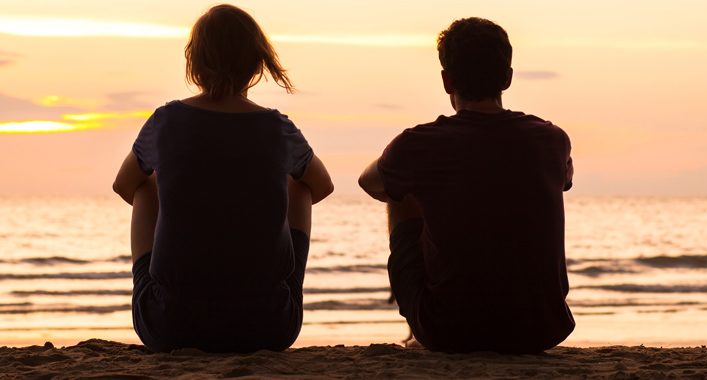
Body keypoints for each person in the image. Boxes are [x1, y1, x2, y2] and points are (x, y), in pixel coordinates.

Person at [113, 4, 333, 353]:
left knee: (146, 185)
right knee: (299, 185)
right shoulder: (278, 129)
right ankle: (279, 291)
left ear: (194, 63)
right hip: (269, 326)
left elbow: (124, 185)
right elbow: (321, 185)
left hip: (170, 326)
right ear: (256, 64)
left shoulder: (166, 121)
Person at [358, 17, 574, 354]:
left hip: (450, 331)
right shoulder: (551, 138)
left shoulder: (419, 144)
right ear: (507, 77)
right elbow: (563, 181)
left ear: (447, 81)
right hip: (542, 328)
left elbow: (370, 183)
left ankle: (416, 330)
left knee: (399, 188)